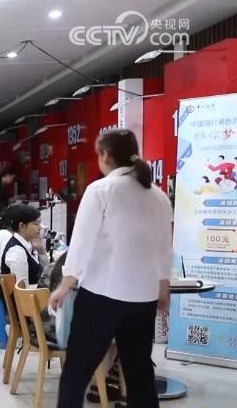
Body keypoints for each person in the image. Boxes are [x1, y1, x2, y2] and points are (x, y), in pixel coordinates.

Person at [50, 129, 172, 408]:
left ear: (105, 155)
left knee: (77, 370)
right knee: (140, 372)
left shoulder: (100, 190)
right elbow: (164, 247)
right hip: (143, 297)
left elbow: (81, 244)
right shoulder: (158, 196)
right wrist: (163, 286)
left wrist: (64, 285)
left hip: (102, 295)